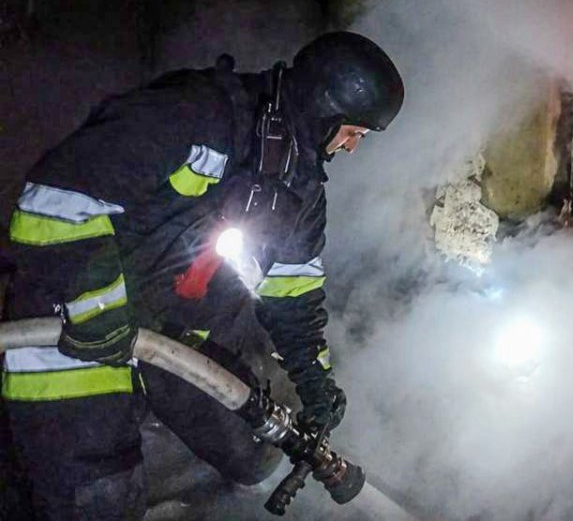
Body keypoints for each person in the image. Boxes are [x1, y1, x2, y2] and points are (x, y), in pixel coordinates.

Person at [0, 31, 404, 520]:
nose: (353, 147)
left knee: (254, 456)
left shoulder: (301, 192)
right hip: (69, 327)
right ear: (327, 108)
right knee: (98, 499)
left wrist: (314, 379)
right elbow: (57, 199)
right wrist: (98, 307)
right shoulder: (200, 115)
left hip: (166, 344)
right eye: (354, 132)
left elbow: (293, 295)